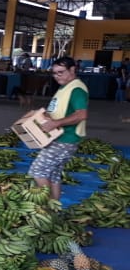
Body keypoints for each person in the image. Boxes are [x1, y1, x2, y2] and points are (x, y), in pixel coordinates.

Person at [27, 56, 88, 201]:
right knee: (53, 174)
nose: (56, 76)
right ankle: (55, 208)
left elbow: (81, 114)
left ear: (72, 70)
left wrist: (56, 123)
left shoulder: (77, 89)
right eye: (54, 73)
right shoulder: (65, 87)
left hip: (64, 139)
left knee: (38, 171)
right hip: (59, 137)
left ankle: (47, 209)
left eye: (60, 72)